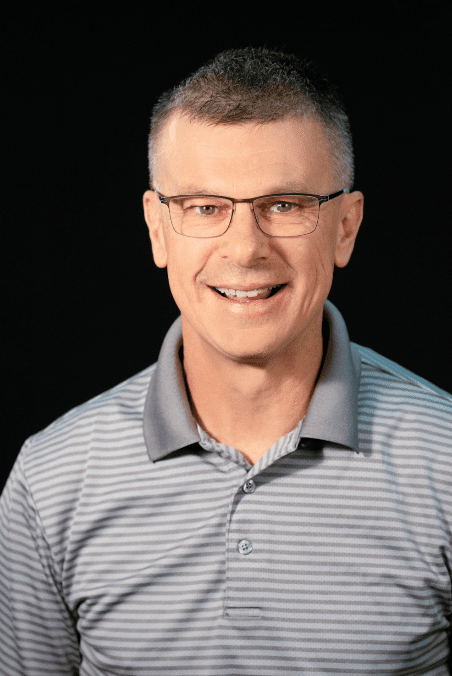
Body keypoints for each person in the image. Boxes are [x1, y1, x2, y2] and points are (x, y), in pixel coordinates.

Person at [1, 45, 451, 676]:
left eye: (286, 205)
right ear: (158, 229)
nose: (245, 250)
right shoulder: (49, 484)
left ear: (345, 227)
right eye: (205, 207)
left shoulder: (446, 462)